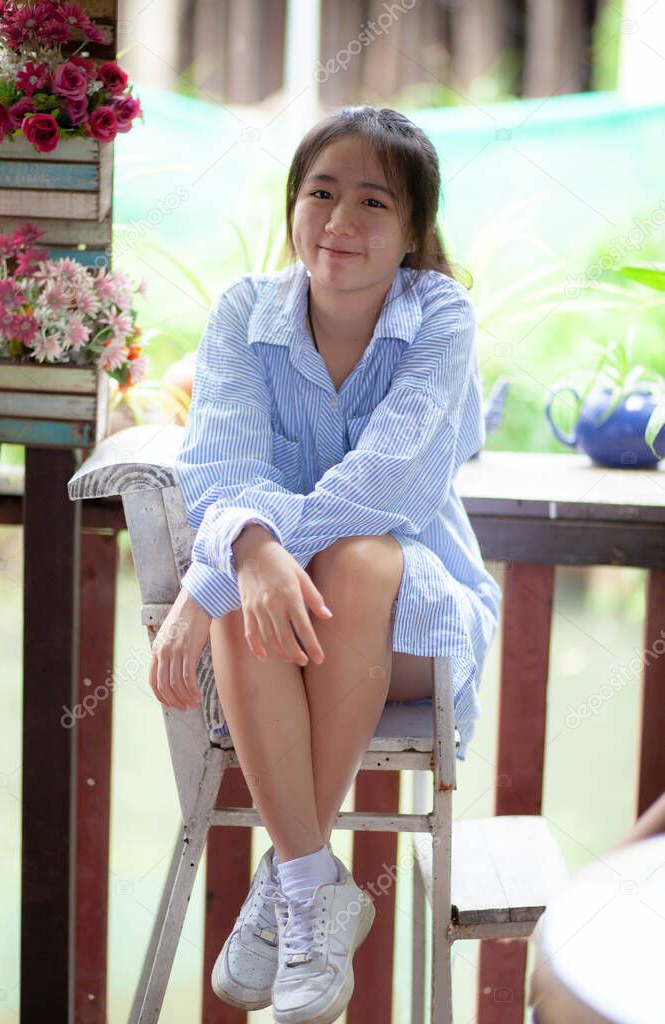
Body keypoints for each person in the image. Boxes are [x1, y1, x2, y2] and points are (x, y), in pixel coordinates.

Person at [149, 104, 502, 1024]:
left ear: (414, 229)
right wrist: (243, 558)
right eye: (320, 192)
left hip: (416, 615)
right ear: (292, 205)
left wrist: (221, 568)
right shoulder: (243, 313)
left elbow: (387, 485)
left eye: (372, 201)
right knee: (246, 572)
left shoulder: (439, 316)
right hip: (279, 636)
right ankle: (310, 887)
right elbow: (220, 468)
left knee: (350, 558)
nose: (341, 221)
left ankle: (291, 883)